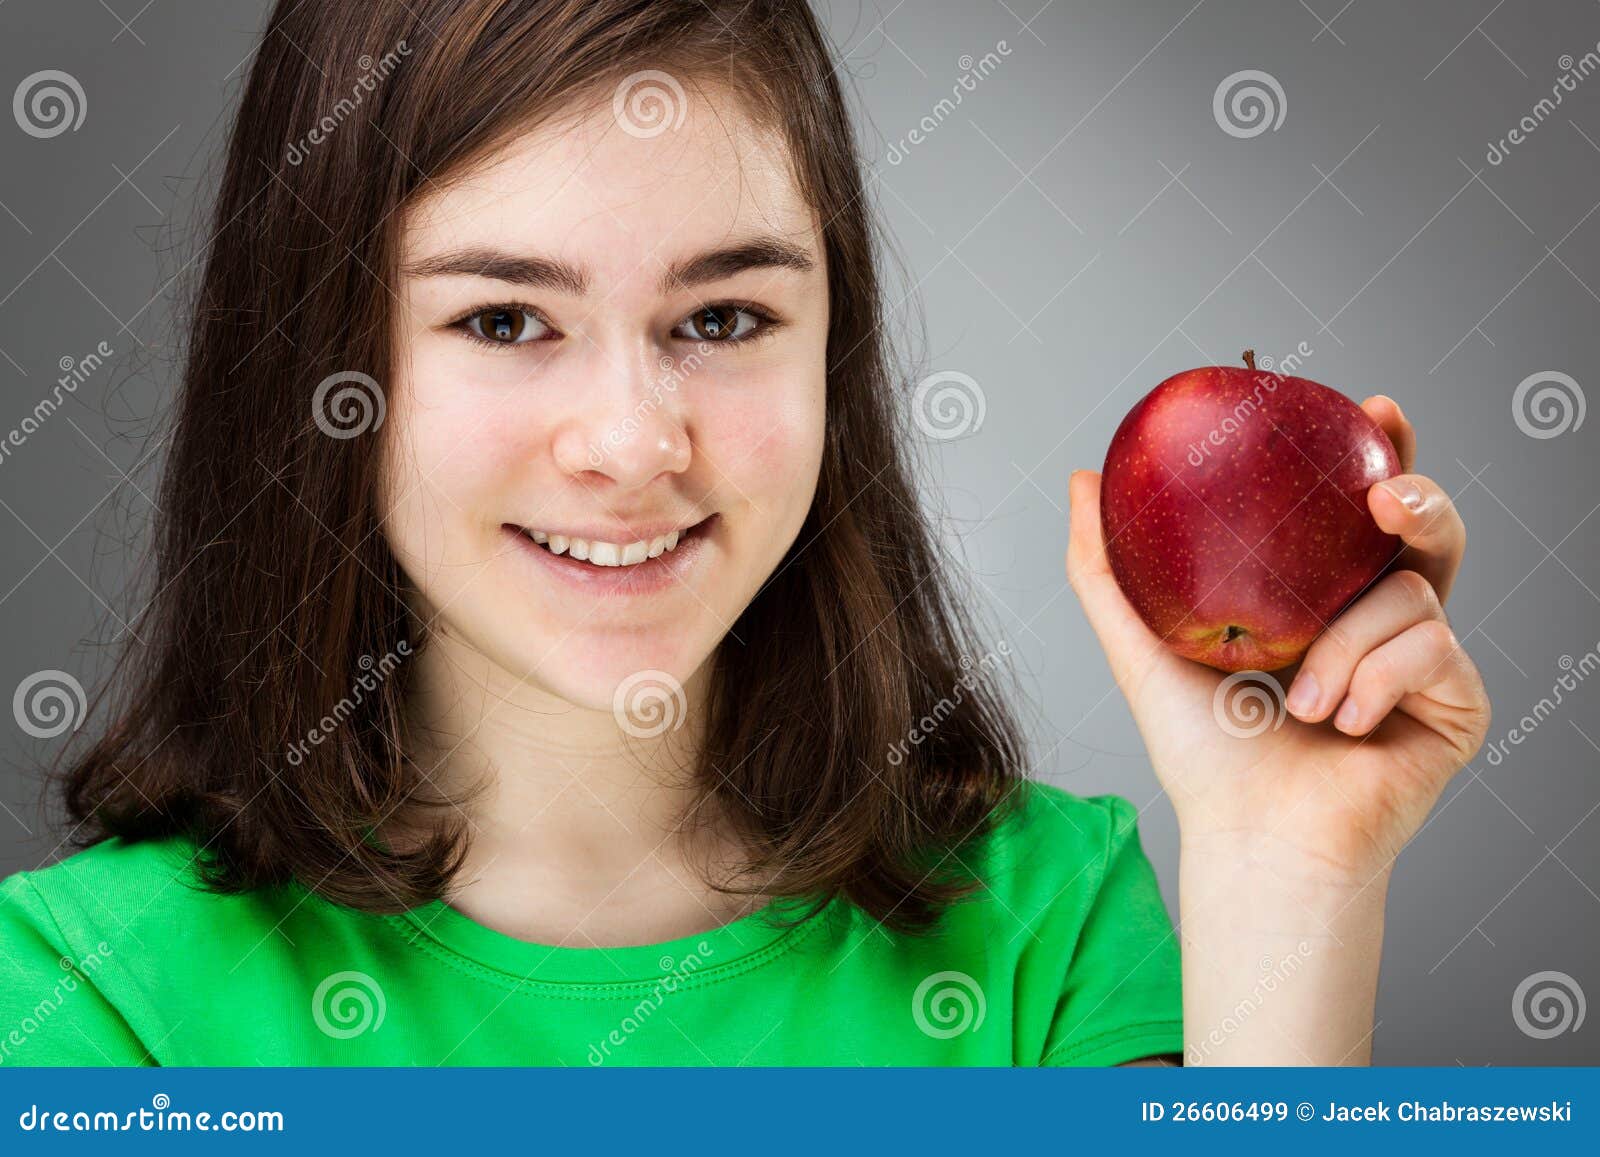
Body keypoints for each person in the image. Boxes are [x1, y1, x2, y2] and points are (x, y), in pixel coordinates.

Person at [0, 0, 1486, 1067]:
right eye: (506, 319)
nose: (637, 440)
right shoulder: (89, 996)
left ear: (832, 351)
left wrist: (1284, 874)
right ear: (326, 365)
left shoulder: (1048, 924)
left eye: (722, 317)